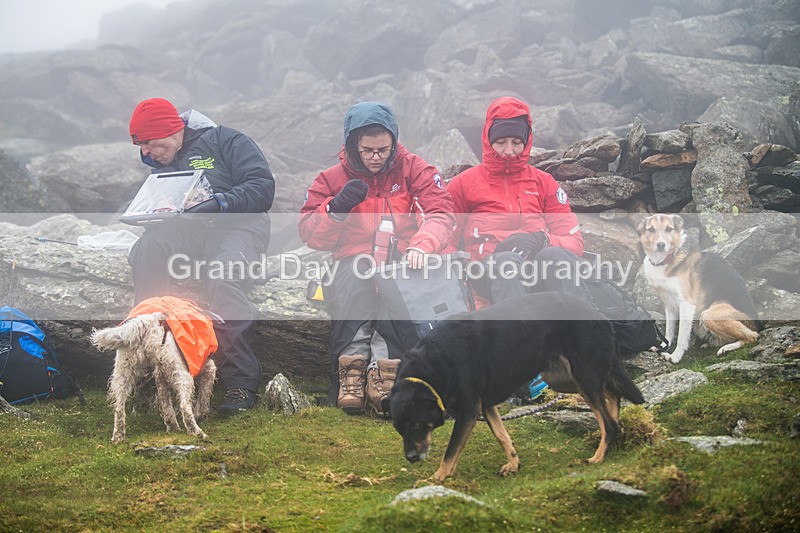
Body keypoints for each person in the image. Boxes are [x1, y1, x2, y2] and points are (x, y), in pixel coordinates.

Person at [298, 101, 455, 415]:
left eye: (383, 150)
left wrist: (423, 245)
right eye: (367, 150)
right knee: (357, 284)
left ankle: (383, 376)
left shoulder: (414, 169)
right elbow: (310, 234)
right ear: (353, 145)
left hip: (404, 259)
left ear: (393, 143)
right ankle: (352, 377)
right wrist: (336, 209)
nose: (375, 157)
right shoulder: (331, 178)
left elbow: (442, 213)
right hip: (353, 260)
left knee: (393, 292)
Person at [127, 97, 275, 416]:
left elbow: (263, 188)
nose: (146, 154)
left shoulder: (227, 140)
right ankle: (149, 363)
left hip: (241, 224)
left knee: (222, 276)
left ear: (169, 131)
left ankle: (240, 382)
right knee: (148, 249)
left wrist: (221, 202)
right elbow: (164, 193)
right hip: (191, 228)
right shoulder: (163, 160)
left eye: (150, 144)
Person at [447, 96, 588, 401]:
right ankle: (524, 371)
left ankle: (579, 356)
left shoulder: (544, 183)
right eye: (501, 142)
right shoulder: (463, 185)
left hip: (535, 271)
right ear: (488, 139)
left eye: (516, 141)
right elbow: (446, 239)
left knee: (557, 255)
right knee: (507, 262)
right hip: (488, 272)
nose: (509, 150)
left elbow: (574, 242)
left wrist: (543, 239)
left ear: (527, 142)